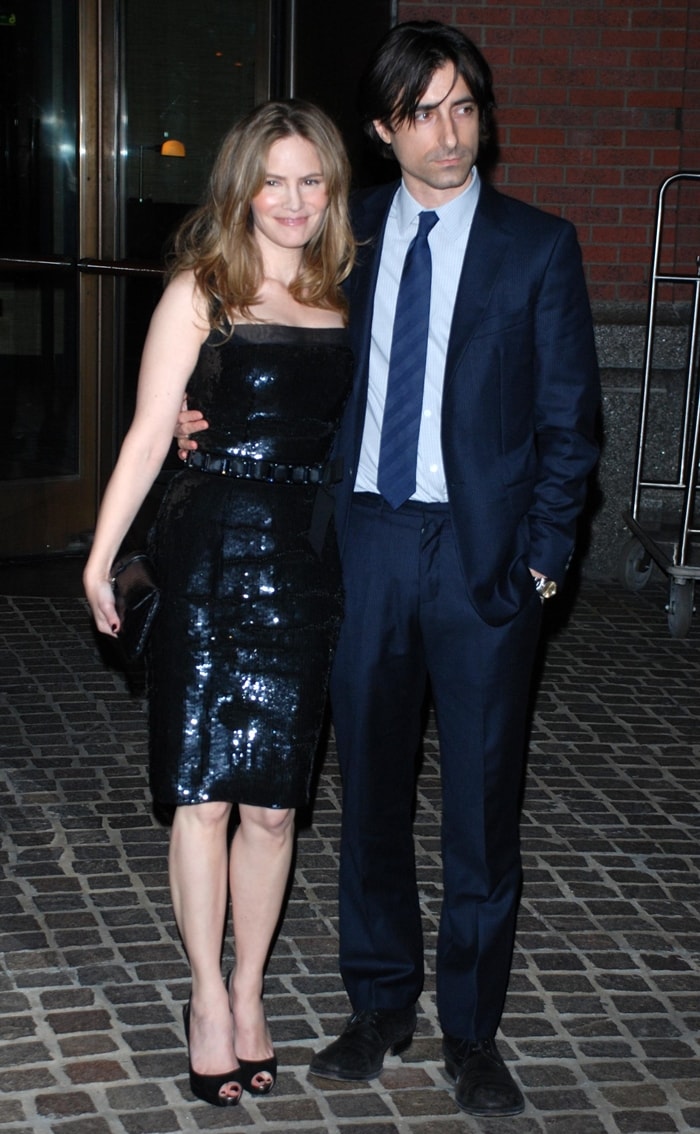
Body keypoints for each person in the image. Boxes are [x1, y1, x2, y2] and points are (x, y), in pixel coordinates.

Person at [175, 21, 600, 1117]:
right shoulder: (343, 234)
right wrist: (199, 414)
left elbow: (571, 424)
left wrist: (541, 565)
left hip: (482, 559)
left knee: (481, 806)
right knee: (366, 793)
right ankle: (377, 1006)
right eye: (422, 113)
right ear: (382, 128)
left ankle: (471, 1031)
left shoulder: (536, 246)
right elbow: (258, 334)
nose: (448, 133)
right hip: (360, 544)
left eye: (464, 108)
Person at [83, 99, 355, 1108]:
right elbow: (150, 431)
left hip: (304, 562)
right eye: (272, 181)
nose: (291, 200)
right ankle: (205, 996)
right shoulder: (202, 288)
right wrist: (100, 559)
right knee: (201, 795)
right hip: (206, 554)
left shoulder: (348, 298)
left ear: (331, 189)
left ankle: (250, 992)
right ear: (241, 189)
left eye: (310, 180)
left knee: (274, 807)